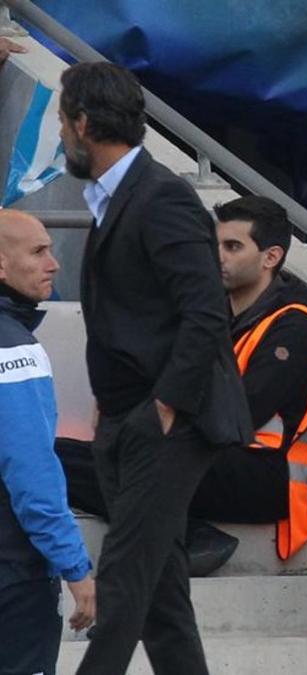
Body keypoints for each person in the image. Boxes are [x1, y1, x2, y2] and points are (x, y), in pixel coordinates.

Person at [59, 61, 253, 674]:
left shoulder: (161, 195)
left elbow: (205, 313)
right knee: (162, 593)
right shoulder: (117, 196)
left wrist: (165, 407)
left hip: (165, 423)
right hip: (128, 419)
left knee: (123, 580)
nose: (63, 135)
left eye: (64, 122)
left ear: (83, 124)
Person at [55, 195, 307, 574]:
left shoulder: (292, 329)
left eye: (232, 246)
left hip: (263, 477)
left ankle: (186, 537)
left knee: (110, 459)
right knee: (55, 454)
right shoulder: (218, 311)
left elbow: (240, 414)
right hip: (212, 458)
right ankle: (191, 533)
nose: (217, 256)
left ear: (270, 257)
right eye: (213, 244)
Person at [0, 209, 95, 674]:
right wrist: (76, 568)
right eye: (38, 251)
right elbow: (32, 474)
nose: (54, 263)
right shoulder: (13, 349)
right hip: (13, 576)